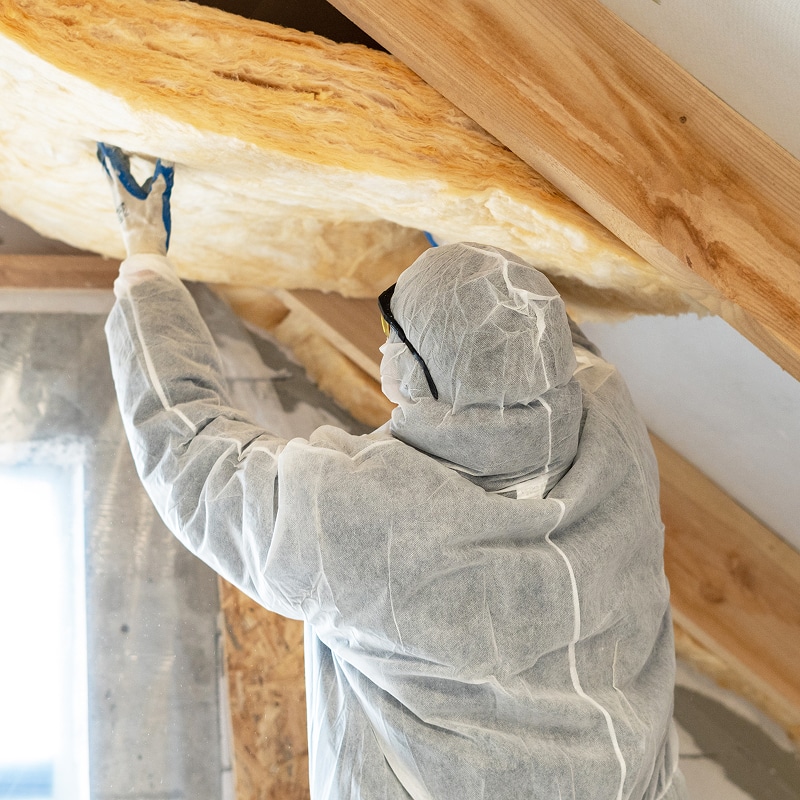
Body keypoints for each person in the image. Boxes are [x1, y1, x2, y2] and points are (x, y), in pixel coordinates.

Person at [98, 143, 688, 800]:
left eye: (392, 329)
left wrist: (144, 259)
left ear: (412, 371)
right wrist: (475, 278)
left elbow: (191, 455)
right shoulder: (612, 426)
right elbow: (543, 353)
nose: (380, 342)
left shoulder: (360, 521)